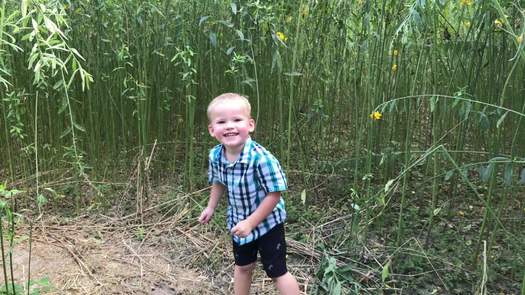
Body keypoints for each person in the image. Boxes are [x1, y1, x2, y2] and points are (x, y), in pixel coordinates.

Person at [198, 93, 300, 295]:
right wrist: (211, 207)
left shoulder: (261, 159)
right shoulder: (216, 155)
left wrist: (251, 223)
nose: (229, 126)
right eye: (221, 121)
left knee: (277, 271)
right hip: (238, 222)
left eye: (237, 120)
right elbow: (218, 181)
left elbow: (274, 194)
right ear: (212, 130)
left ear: (250, 125)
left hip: (268, 223)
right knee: (243, 266)